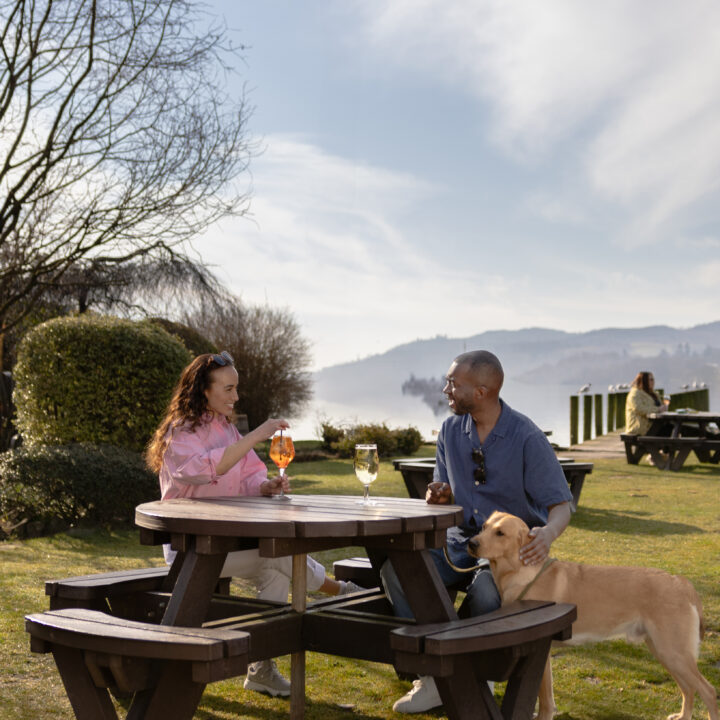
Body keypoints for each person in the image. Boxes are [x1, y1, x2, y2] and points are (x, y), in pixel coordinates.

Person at [145, 351, 360, 698]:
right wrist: (257, 434)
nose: (236, 396)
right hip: (192, 551)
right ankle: (342, 593)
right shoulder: (180, 432)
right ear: (204, 391)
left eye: (236, 388)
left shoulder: (226, 428)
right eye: (228, 389)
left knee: (275, 569)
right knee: (278, 556)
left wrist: (264, 486)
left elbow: (248, 475)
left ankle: (261, 670)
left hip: (229, 544)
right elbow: (205, 469)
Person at [381, 350, 573, 713]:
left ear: (481, 392)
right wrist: (440, 495)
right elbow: (445, 492)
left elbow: (561, 505)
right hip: (458, 543)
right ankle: (435, 676)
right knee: (398, 573)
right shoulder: (450, 431)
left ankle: (467, 672)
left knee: (486, 593)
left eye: (453, 384)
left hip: (507, 552)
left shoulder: (527, 437)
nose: (446, 390)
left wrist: (547, 534)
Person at [625, 371, 669, 435]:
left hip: (655, 425)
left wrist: (663, 407)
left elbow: (660, 406)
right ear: (644, 381)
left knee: (676, 428)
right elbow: (640, 409)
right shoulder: (635, 394)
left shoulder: (654, 394)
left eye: (653, 379)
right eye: (651, 379)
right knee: (671, 430)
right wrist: (658, 409)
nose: (653, 382)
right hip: (641, 429)